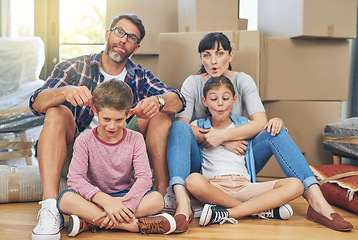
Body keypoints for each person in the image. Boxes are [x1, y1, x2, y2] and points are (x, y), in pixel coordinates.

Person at [166, 32, 353, 232]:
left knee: (276, 130)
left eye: (220, 54)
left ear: (230, 56)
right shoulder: (192, 83)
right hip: (203, 164)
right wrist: (220, 140)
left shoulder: (242, 80)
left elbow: (259, 122)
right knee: (177, 127)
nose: (213, 61)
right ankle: (185, 205)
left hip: (241, 160)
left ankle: (318, 203)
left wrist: (225, 135)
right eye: (207, 55)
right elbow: (184, 128)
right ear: (200, 58)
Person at [30, 13, 185, 240]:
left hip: (123, 162)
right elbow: (36, 103)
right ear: (108, 33)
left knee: (160, 113)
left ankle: (157, 195)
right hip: (79, 152)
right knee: (55, 111)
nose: (123, 40)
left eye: (131, 38)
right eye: (120, 32)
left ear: (136, 47)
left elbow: (179, 101)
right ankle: (50, 207)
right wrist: (64, 92)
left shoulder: (140, 76)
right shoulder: (74, 68)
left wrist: (158, 101)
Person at [57, 79, 176, 237]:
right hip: (96, 199)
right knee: (66, 199)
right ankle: (133, 226)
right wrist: (105, 201)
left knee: (156, 200)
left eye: (119, 120)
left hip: (126, 197)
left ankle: (91, 221)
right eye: (106, 119)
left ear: (128, 114)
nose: (112, 126)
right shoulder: (84, 140)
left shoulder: (136, 139)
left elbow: (144, 178)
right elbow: (75, 179)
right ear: (95, 110)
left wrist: (125, 206)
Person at [186, 76, 303, 226]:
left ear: (234, 99)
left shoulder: (245, 125)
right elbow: (182, 129)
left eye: (226, 98)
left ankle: (227, 212)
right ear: (204, 101)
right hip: (215, 187)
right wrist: (225, 141)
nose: (220, 104)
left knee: (296, 185)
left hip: (245, 186)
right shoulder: (198, 125)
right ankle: (258, 210)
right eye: (213, 99)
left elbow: (270, 134)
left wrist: (277, 120)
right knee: (193, 181)